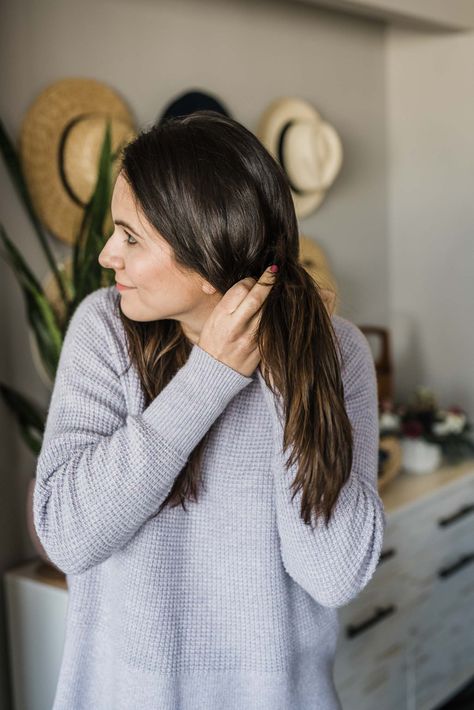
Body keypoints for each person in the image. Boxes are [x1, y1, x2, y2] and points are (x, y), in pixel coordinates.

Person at [33, 110, 386, 710]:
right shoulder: (104, 331)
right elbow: (67, 535)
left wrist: (287, 377)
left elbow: (333, 574)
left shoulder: (339, 352)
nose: (106, 255)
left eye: (130, 237)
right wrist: (208, 381)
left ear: (207, 252)